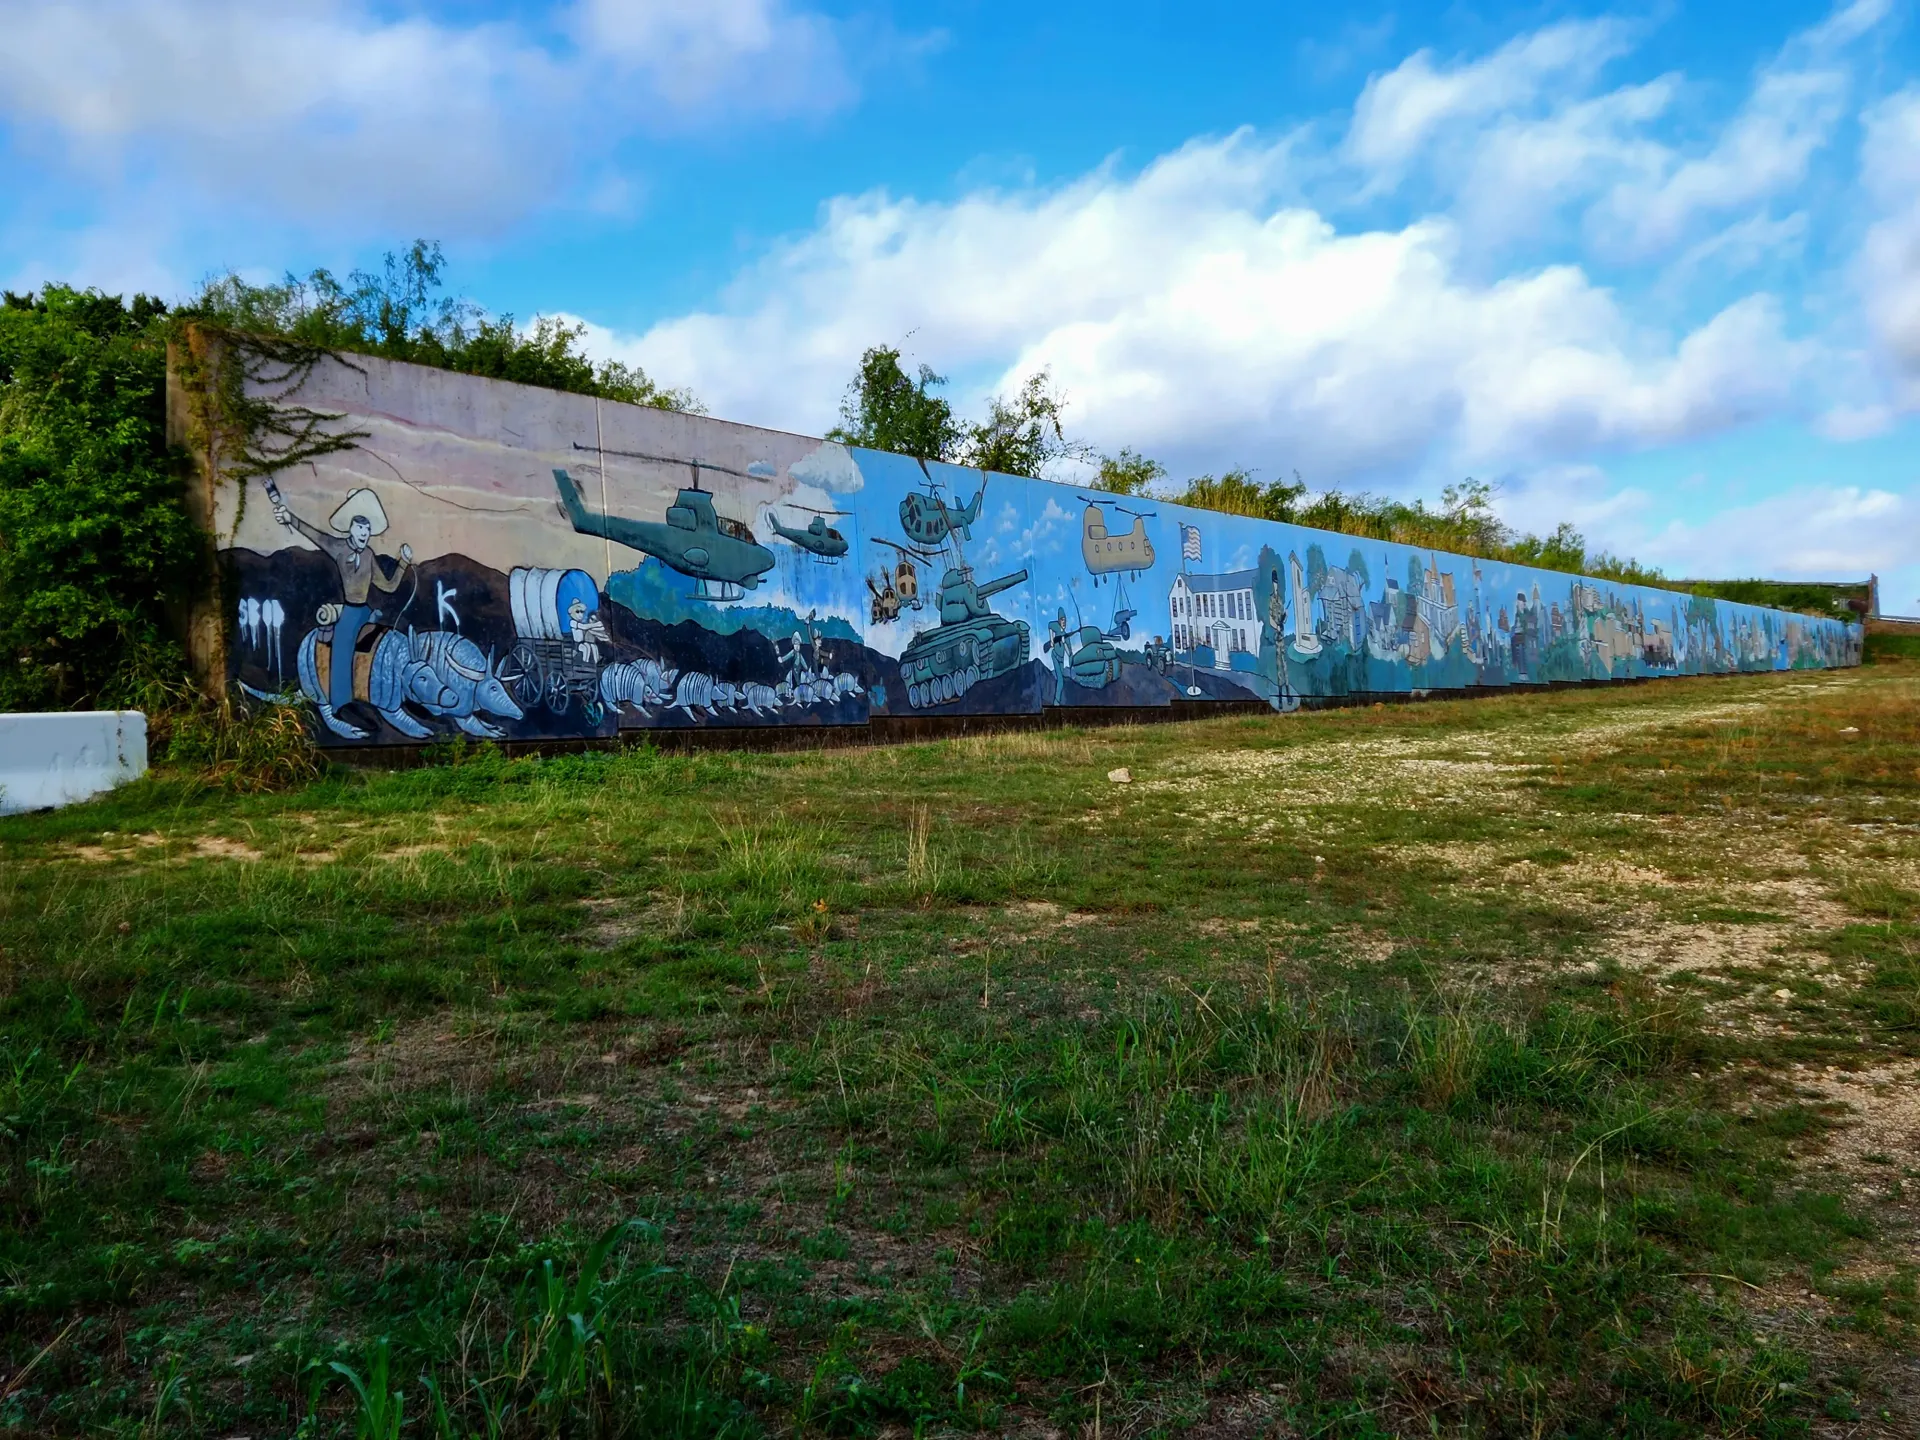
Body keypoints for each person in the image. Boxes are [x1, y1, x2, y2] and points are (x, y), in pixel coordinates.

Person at [270, 486, 413, 711]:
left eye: (367, 528)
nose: (364, 533)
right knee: (342, 651)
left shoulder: (369, 555)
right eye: (360, 527)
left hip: (365, 611)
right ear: (351, 528)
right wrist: (290, 519)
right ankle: (341, 705)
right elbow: (315, 535)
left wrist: (403, 562)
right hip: (349, 611)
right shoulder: (338, 548)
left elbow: (388, 586)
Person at [567, 597, 610, 666]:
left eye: (581, 612)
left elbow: (591, 630)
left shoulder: (582, 623)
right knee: (586, 648)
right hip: (577, 644)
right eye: (577, 612)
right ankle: (585, 663)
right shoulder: (573, 623)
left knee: (594, 647)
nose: (580, 614)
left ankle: (596, 664)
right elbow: (584, 627)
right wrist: (596, 624)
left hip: (583, 642)